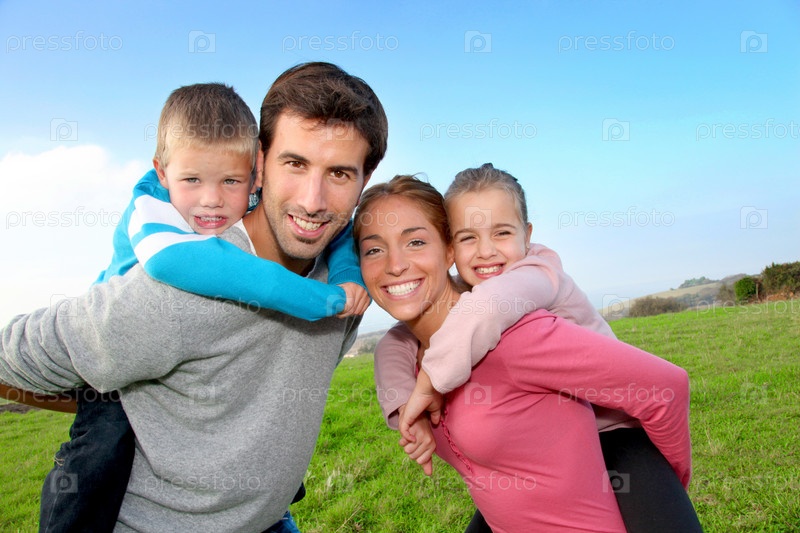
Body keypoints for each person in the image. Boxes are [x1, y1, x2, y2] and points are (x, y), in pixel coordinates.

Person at [0, 61, 387, 532]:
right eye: (295, 164)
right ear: (259, 163)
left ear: (364, 181)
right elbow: (13, 354)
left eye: (340, 173)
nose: (312, 200)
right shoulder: (180, 291)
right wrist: (107, 394)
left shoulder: (349, 284)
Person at [373, 164, 703, 532]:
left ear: (527, 236)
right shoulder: (471, 291)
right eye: (468, 238)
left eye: (502, 232)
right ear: (451, 246)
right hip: (547, 455)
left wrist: (670, 474)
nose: (485, 252)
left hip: (615, 430)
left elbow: (488, 308)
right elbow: (396, 340)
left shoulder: (536, 273)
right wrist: (403, 404)